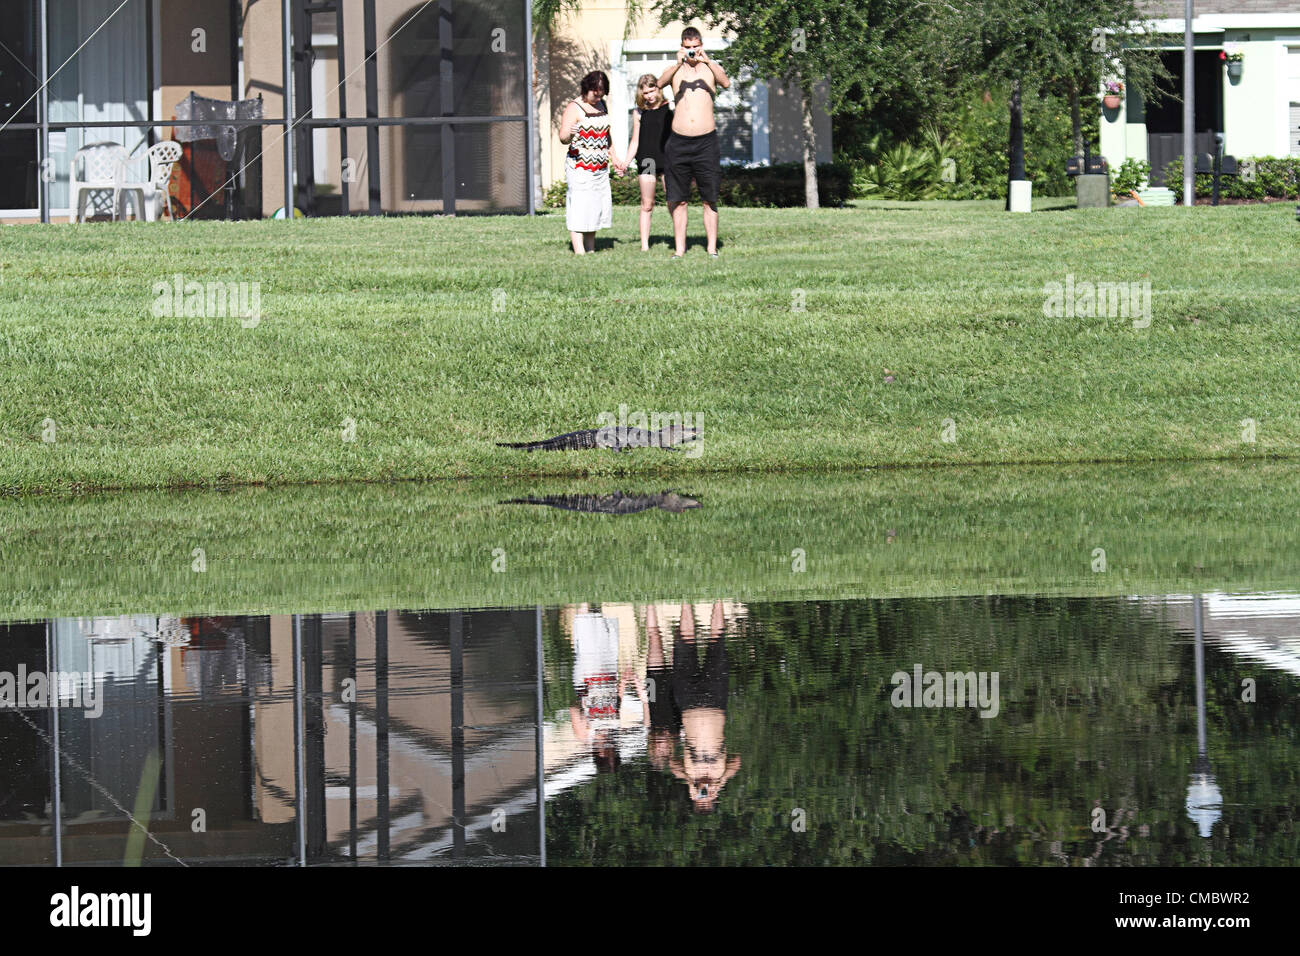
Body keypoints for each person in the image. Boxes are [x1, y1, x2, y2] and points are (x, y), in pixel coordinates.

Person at [656, 27, 730, 259]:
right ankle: (679, 250)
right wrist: (678, 64)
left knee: (709, 199)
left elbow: (726, 83)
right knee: (678, 200)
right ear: (681, 47)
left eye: (695, 46)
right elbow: (659, 83)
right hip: (678, 142)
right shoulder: (676, 71)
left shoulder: (709, 69)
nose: (691, 51)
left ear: (701, 45)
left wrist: (706, 62)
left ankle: (711, 249)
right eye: (687, 47)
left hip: (706, 142)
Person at [557, 70, 625, 255]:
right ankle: (579, 251)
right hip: (580, 166)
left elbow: (606, 135)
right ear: (587, 88)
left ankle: (591, 249)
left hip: (600, 167)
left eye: (601, 93)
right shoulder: (574, 107)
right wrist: (570, 133)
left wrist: (614, 157)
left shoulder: (602, 104)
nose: (598, 97)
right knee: (580, 206)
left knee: (595, 207)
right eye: (595, 93)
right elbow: (563, 138)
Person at [623, 73, 673, 251]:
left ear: (658, 89)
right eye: (645, 93)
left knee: (672, 201)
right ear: (640, 94)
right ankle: (645, 246)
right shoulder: (639, 112)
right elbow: (635, 140)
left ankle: (678, 241)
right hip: (647, 160)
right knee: (647, 204)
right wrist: (625, 162)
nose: (650, 96)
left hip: (667, 159)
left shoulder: (669, 108)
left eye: (652, 91)